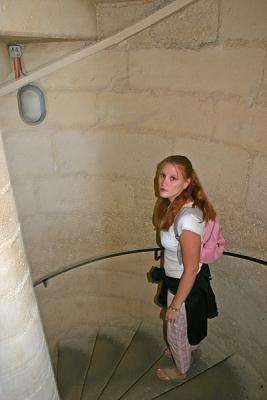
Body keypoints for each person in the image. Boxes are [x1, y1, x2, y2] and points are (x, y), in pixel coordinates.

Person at [152, 155, 218, 382]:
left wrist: (176, 306)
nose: (164, 182)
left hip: (184, 284)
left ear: (187, 182)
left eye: (173, 178)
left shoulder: (187, 219)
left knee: (176, 330)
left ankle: (181, 371)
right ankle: (182, 350)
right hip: (176, 279)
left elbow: (191, 269)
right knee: (183, 329)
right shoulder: (174, 204)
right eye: (163, 175)